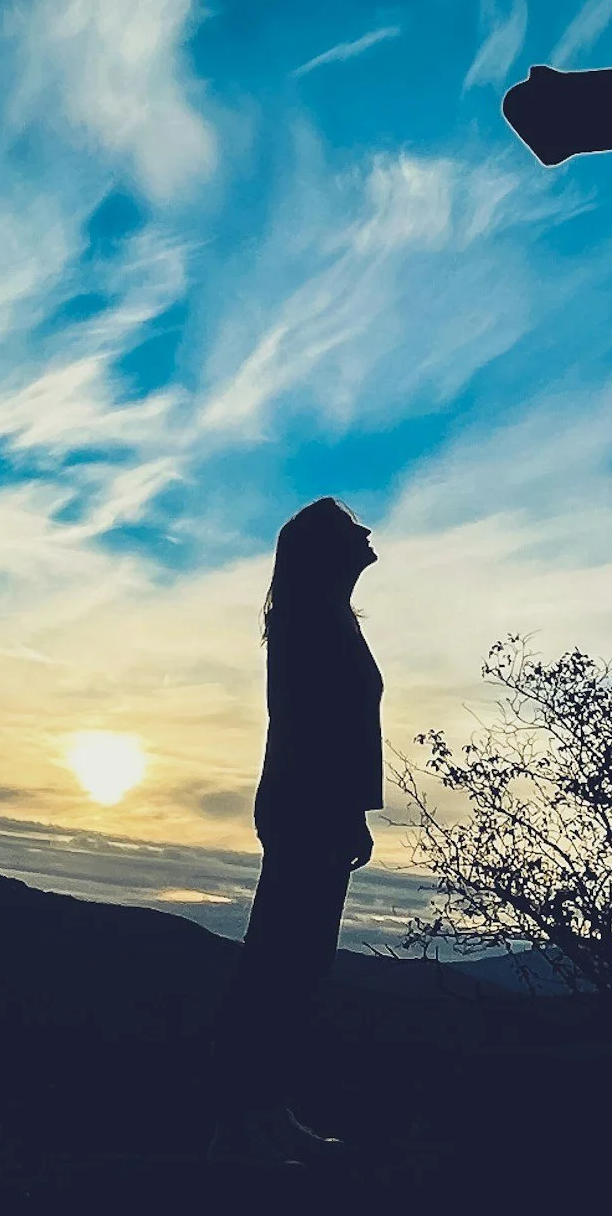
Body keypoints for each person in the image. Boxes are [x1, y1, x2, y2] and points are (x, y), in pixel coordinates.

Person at [205, 497, 384, 1167]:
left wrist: (355, 811)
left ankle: (259, 1112)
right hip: (308, 810)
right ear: (324, 552)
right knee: (282, 965)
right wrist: (341, 812)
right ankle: (246, 1118)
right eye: (350, 530)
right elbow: (313, 729)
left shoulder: (327, 618)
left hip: (317, 811)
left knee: (294, 964)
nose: (367, 534)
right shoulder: (312, 622)